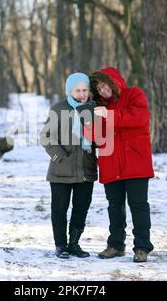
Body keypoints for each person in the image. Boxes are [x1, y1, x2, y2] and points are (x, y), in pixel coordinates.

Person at [89, 67, 155, 262]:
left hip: (135, 161)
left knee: (138, 205)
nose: (102, 91)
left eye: (103, 85)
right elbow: (96, 136)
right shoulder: (99, 106)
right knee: (114, 206)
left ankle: (142, 247)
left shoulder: (134, 94)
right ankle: (116, 244)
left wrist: (108, 116)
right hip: (110, 162)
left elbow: (139, 118)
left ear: (112, 80)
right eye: (98, 88)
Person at [40, 72, 98, 259]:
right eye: (77, 90)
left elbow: (101, 137)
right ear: (70, 90)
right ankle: (61, 245)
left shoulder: (94, 109)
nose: (81, 94)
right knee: (59, 209)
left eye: (85, 90)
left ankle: (74, 244)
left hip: (85, 170)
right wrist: (59, 157)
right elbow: (46, 136)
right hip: (61, 170)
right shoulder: (58, 109)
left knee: (81, 208)